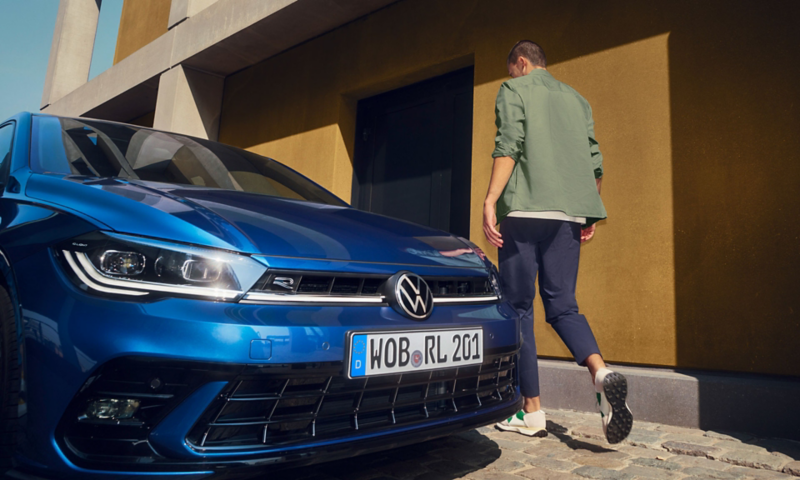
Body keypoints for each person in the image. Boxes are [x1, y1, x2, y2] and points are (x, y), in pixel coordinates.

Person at [484, 40, 633, 444]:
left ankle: (531, 411)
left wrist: (491, 199)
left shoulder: (514, 90)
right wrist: (588, 212)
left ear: (521, 62)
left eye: (512, 69)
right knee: (563, 305)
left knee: (518, 308)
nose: (512, 75)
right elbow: (594, 160)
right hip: (568, 215)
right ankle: (600, 371)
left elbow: (509, 144)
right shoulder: (578, 100)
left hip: (524, 213)